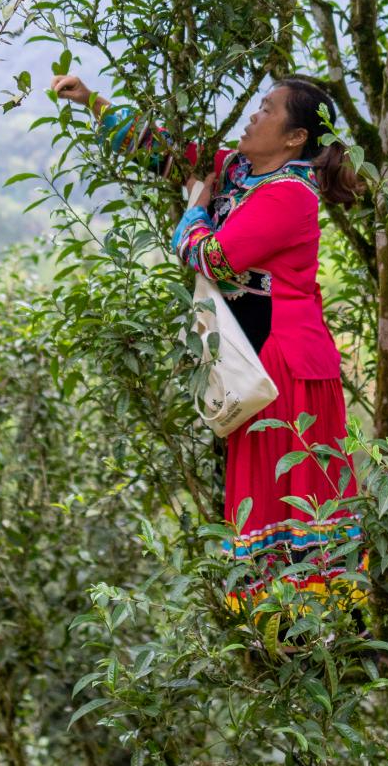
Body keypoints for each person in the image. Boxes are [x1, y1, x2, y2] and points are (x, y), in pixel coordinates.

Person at [51, 72, 368, 615]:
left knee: (296, 489)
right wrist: (92, 101)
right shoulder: (238, 169)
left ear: (294, 138)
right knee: (264, 488)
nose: (253, 115)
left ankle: (316, 621)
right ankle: (275, 620)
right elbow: (166, 154)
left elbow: (213, 257)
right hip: (257, 355)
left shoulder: (291, 194)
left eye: (267, 110)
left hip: (287, 363)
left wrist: (195, 208)